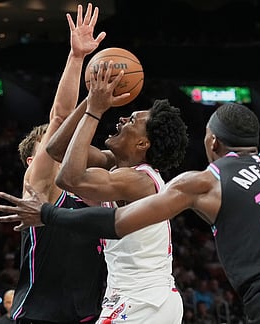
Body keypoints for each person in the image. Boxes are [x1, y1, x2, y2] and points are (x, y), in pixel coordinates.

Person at [0, 105, 260, 323]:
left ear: (211, 141)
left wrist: (48, 214)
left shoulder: (203, 182)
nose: (122, 121)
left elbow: (117, 223)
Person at [40, 59, 189, 323]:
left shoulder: (138, 182)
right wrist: (90, 99)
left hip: (143, 302)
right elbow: (56, 150)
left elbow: (69, 179)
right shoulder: (116, 165)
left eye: (132, 120)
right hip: (141, 299)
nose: (121, 118)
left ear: (143, 143)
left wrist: (95, 112)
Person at [7, 3, 107, 323]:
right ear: (32, 162)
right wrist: (77, 58)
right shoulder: (39, 188)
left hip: (88, 314)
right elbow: (60, 117)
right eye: (51, 150)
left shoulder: (90, 190)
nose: (59, 152)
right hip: (41, 315)